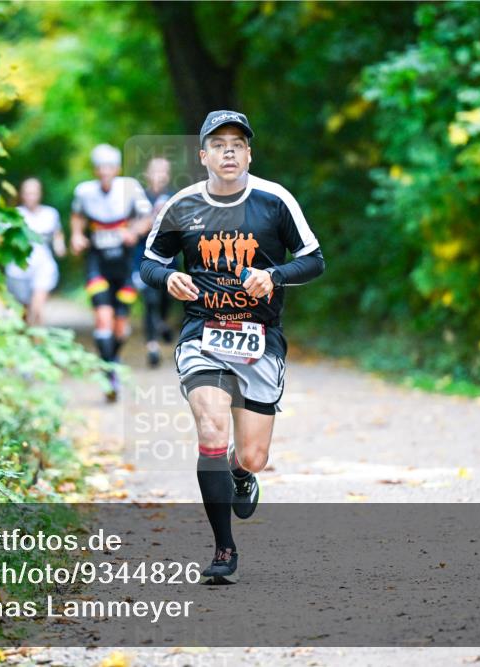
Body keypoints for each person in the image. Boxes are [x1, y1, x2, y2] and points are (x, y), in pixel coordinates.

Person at [140, 110, 325, 581]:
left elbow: (314, 260)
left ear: (248, 154)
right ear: (202, 155)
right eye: (218, 143)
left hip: (260, 339)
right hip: (203, 332)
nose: (228, 150)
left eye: (237, 144)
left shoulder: (274, 200)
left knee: (251, 456)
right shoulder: (181, 205)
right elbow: (150, 262)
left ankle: (240, 475)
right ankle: (224, 550)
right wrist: (170, 277)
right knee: (211, 431)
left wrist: (274, 275)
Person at [70, 144, 152, 401]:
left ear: (117, 168)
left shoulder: (130, 187)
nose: (105, 172)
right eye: (100, 167)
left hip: (124, 265)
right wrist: (75, 236)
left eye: (109, 166)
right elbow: (77, 216)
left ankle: (112, 358)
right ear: (95, 170)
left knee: (120, 328)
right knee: (103, 319)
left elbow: (148, 217)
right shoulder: (84, 191)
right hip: (97, 263)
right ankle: (109, 373)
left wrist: (134, 231)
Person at [132, 157, 176, 368]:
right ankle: (152, 346)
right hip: (143, 258)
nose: (160, 175)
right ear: (147, 174)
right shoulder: (138, 198)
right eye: (155, 171)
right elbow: (132, 229)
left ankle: (161, 323)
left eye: (164, 171)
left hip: (170, 261)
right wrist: (150, 220)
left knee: (167, 298)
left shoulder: (175, 197)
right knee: (150, 300)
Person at [5, 177, 65, 326]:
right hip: (19, 267)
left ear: (40, 194)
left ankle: (37, 340)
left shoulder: (50, 214)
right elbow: (1, 239)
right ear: (21, 194)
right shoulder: (14, 215)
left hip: (43, 265)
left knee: (37, 307)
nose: (30, 197)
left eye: (34, 193)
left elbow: (57, 233)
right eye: (27, 193)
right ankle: (27, 341)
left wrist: (60, 246)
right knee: (24, 310)